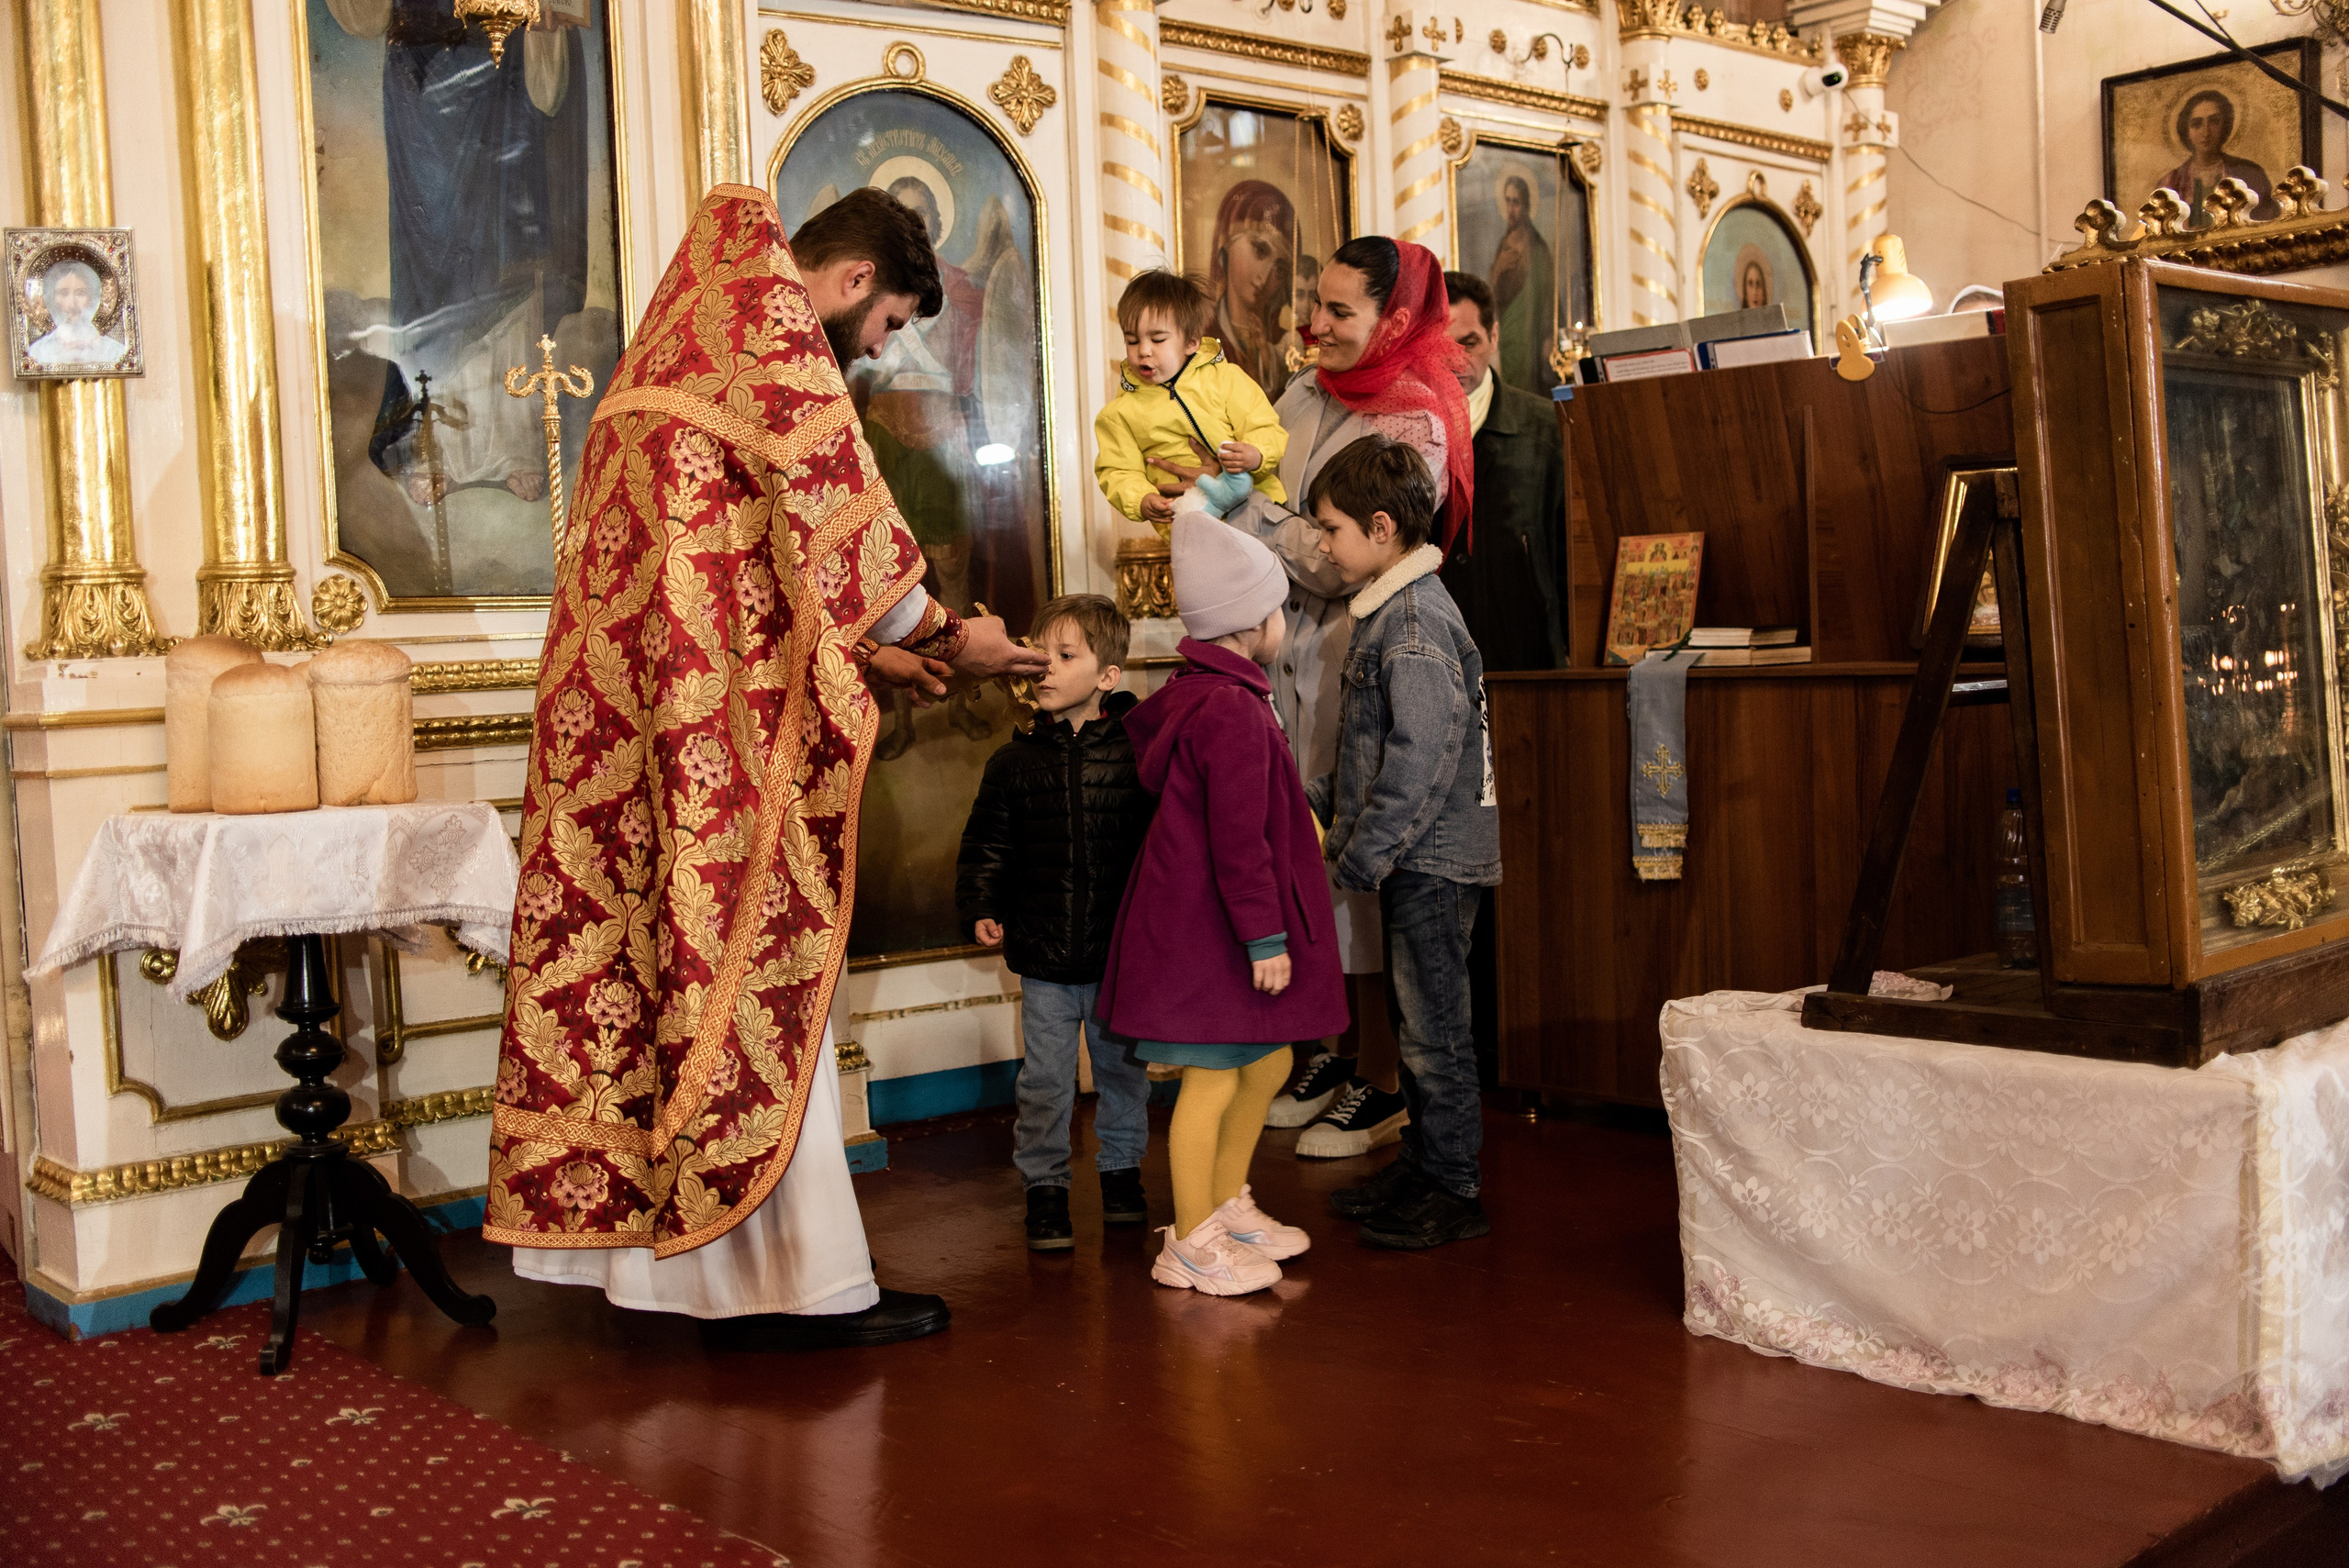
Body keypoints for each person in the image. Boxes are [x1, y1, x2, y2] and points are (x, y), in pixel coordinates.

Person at [485, 183, 1048, 1351]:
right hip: (721, 760)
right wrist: (953, 641)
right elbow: (852, 540)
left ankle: (681, 1277)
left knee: (662, 982)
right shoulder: (775, 352)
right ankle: (793, 1284)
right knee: (753, 992)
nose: (879, 348)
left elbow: (741, 573)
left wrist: (861, 661)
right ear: (850, 285)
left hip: (629, 740)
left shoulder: (667, 354)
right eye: (888, 323)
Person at [1197, 236, 1475, 1160]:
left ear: (1394, 319)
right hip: (1284, 655)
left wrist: (1244, 509)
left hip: (1355, 661)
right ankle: (1332, 1046)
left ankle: (1386, 1076)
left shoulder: (1417, 418)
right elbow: (1275, 501)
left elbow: (1331, 557)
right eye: (1316, 304)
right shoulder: (1304, 393)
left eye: (1341, 311)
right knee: (1300, 852)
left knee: (1362, 871)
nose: (1315, 325)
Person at [1099, 516, 1348, 1296]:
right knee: (1212, 1074)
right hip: (1217, 930)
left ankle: (1225, 1204)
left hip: (1218, 923)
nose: (1286, 624)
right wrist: (1266, 937)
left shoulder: (1218, 693)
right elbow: (1239, 840)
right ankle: (1191, 1235)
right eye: (1281, 611)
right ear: (1255, 622)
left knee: (1269, 1057)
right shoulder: (1232, 709)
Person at [1303, 435, 1502, 1249]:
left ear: (1381, 528)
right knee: (1416, 1015)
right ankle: (1423, 1163)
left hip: (1432, 856)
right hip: (1415, 855)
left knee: (1434, 1026)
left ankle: (1453, 1184)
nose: (1321, 544)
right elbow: (1370, 750)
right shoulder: (1392, 610)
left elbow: (1422, 753)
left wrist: (1361, 850)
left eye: (1331, 528)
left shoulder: (1414, 619)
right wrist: (1317, 802)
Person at [954, 595, 1158, 1251]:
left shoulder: (1136, 758)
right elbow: (986, 844)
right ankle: (1045, 1191)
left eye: (1064, 656)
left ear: (1108, 675)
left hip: (1115, 959)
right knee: (1043, 1083)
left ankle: (1122, 1176)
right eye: (1038, 654)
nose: (1044, 668)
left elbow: (1160, 847)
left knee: (1123, 1076)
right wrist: (982, 904)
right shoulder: (1012, 764)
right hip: (1043, 958)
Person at [1093, 270, 1288, 532]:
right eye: (1132, 340)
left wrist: (1257, 454)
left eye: (1158, 339)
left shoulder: (1225, 379)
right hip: (1192, 528)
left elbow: (1265, 426)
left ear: (1191, 342)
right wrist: (1141, 500)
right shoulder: (1119, 413)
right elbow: (1117, 471)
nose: (1143, 350)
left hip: (1258, 511)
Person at [1439, 272, 1565, 673]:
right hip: (1436, 654)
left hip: (1524, 653)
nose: (1455, 360)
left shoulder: (1544, 427)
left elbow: (1565, 548)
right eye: (1441, 347)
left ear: (1493, 336)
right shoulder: (1403, 429)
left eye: (1469, 343)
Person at [1207, 180, 1301, 400]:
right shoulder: (1200, 339)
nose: (1265, 277)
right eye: (1260, 249)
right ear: (1226, 241)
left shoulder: (1284, 346)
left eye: (1280, 268)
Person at [2154, 88, 2277, 228]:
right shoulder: (2170, 182)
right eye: (2197, 124)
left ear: (2225, 126)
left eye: (2214, 122)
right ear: (2186, 131)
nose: (2205, 132)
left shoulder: (2250, 174)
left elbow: (2267, 225)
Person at [1488, 174, 1557, 397]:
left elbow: (1548, 294)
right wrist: (1497, 271)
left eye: (1516, 202)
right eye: (1507, 201)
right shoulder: (1503, 243)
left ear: (1526, 205)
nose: (1511, 208)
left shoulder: (1537, 248)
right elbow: (1493, 292)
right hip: (1508, 330)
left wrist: (1548, 334)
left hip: (1530, 331)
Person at [25, 260, 128, 370]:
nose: (71, 303)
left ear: (93, 298)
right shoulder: (36, 353)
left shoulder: (116, 353)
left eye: (80, 293)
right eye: (63, 293)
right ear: (51, 298)